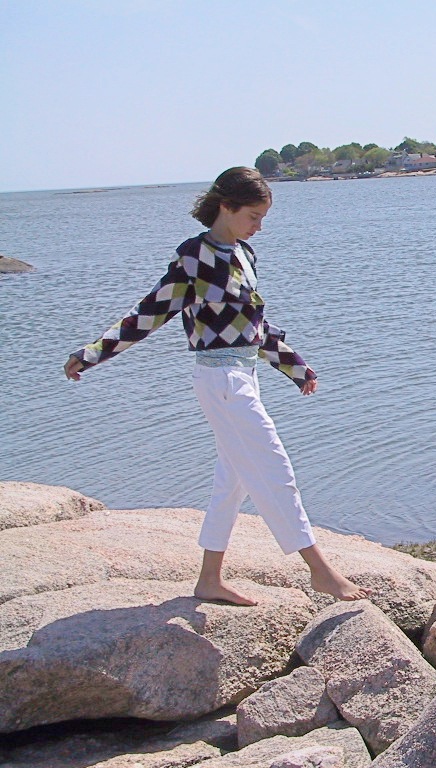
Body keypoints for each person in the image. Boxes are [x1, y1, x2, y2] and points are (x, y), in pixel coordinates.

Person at [63, 166, 370, 606]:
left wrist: (295, 367)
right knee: (274, 469)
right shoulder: (195, 257)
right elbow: (148, 314)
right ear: (225, 207)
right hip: (220, 380)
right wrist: (93, 353)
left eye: (263, 217)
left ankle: (209, 579)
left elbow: (252, 324)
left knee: (233, 481)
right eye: (253, 216)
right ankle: (320, 571)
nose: (259, 226)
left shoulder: (244, 254)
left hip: (245, 376)